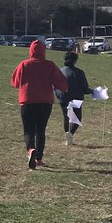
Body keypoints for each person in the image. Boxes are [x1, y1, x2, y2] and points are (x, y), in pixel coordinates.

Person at [10, 39, 67, 169]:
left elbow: (15, 82)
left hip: (27, 101)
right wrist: (65, 88)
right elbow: (61, 83)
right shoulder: (50, 65)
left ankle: (30, 150)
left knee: (28, 129)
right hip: (45, 102)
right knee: (40, 130)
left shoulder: (24, 64)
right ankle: (39, 158)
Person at [56, 51, 90, 145]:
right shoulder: (78, 72)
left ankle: (68, 136)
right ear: (75, 60)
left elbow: (55, 85)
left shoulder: (60, 71)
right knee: (77, 117)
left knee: (66, 117)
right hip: (76, 98)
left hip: (62, 97)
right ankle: (70, 134)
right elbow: (85, 89)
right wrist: (93, 91)